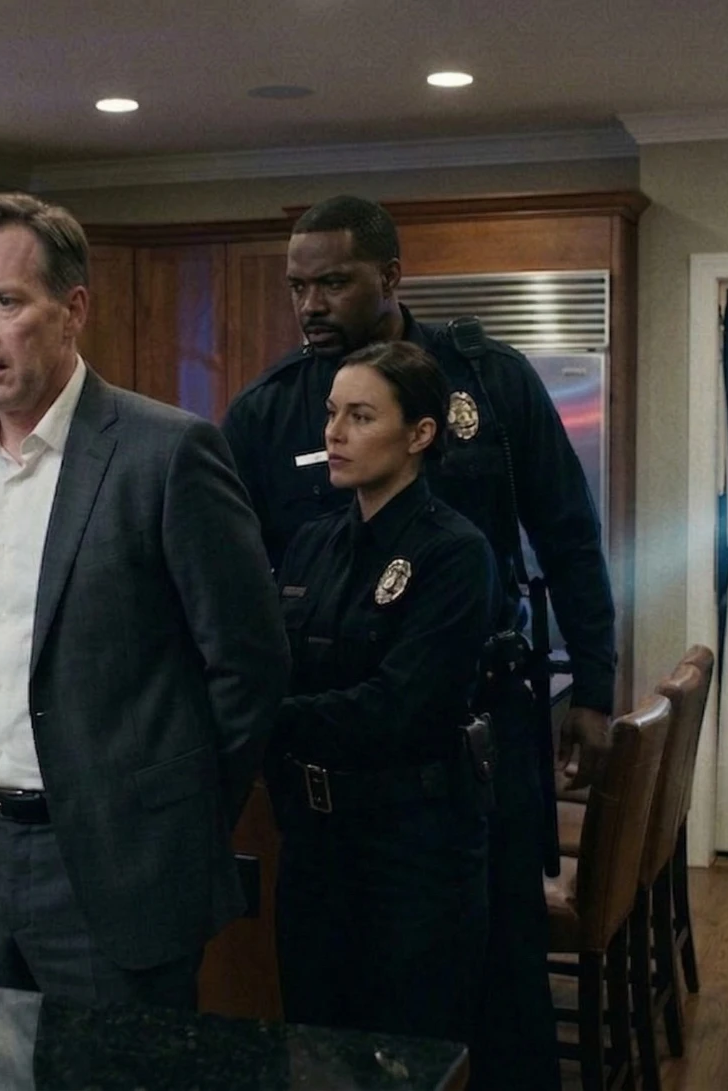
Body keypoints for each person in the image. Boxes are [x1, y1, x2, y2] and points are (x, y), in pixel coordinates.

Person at [221, 194, 614, 1086]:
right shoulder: (272, 412)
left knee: (499, 977)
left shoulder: (489, 380)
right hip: (335, 750)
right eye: (297, 287)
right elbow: (229, 578)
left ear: (391, 277)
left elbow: (568, 533)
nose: (310, 304)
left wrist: (594, 684)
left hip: (478, 725)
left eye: (333, 282)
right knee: (339, 998)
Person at [0, 192, 289, 1009]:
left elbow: (250, 664)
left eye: (4, 301)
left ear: (72, 309)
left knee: (121, 1068)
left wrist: (177, 819)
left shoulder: (167, 453)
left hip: (120, 862)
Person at [269, 339, 493, 1041]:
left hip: (409, 848)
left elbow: (399, 707)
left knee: (401, 1055)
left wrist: (258, 721)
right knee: (312, 1042)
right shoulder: (312, 542)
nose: (334, 433)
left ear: (420, 434)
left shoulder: (454, 551)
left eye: (360, 417)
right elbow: (275, 665)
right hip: (313, 842)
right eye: (332, 413)